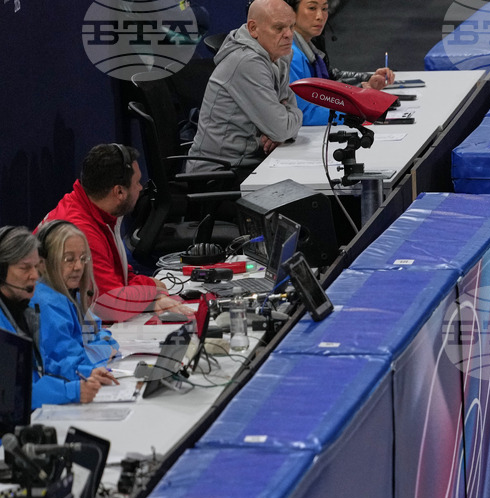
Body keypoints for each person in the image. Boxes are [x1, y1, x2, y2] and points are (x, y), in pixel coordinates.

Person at [44, 144, 186, 322]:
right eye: (137, 183)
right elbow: (111, 305)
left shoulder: (92, 210)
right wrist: (151, 288)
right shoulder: (81, 232)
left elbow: (119, 278)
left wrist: (150, 295)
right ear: (119, 191)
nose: (140, 188)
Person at [186, 0, 304, 176]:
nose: (288, 35)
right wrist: (288, 122)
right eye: (279, 28)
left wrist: (284, 124)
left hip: (249, 163)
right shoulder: (247, 61)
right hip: (218, 174)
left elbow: (286, 117)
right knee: (308, 196)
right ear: (253, 28)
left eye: (291, 26)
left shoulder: (279, 54)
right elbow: (281, 127)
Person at [0, 226, 106, 407]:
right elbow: (12, 393)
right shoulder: (41, 304)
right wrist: (71, 390)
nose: (34, 275)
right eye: (25, 268)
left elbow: (42, 366)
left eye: (35, 266)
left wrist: (86, 373)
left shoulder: (23, 311)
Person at [31, 220, 120, 385]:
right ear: (43, 263)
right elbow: (74, 363)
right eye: (68, 259)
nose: (79, 266)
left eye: (83, 258)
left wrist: (99, 347)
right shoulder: (45, 303)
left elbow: (100, 333)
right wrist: (104, 349)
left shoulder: (72, 295)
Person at [287, 0, 395, 125]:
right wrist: (356, 115)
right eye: (312, 8)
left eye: (324, 9)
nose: (320, 16)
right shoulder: (292, 55)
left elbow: (325, 88)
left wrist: (361, 91)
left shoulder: (309, 47)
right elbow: (304, 112)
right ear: (291, 12)